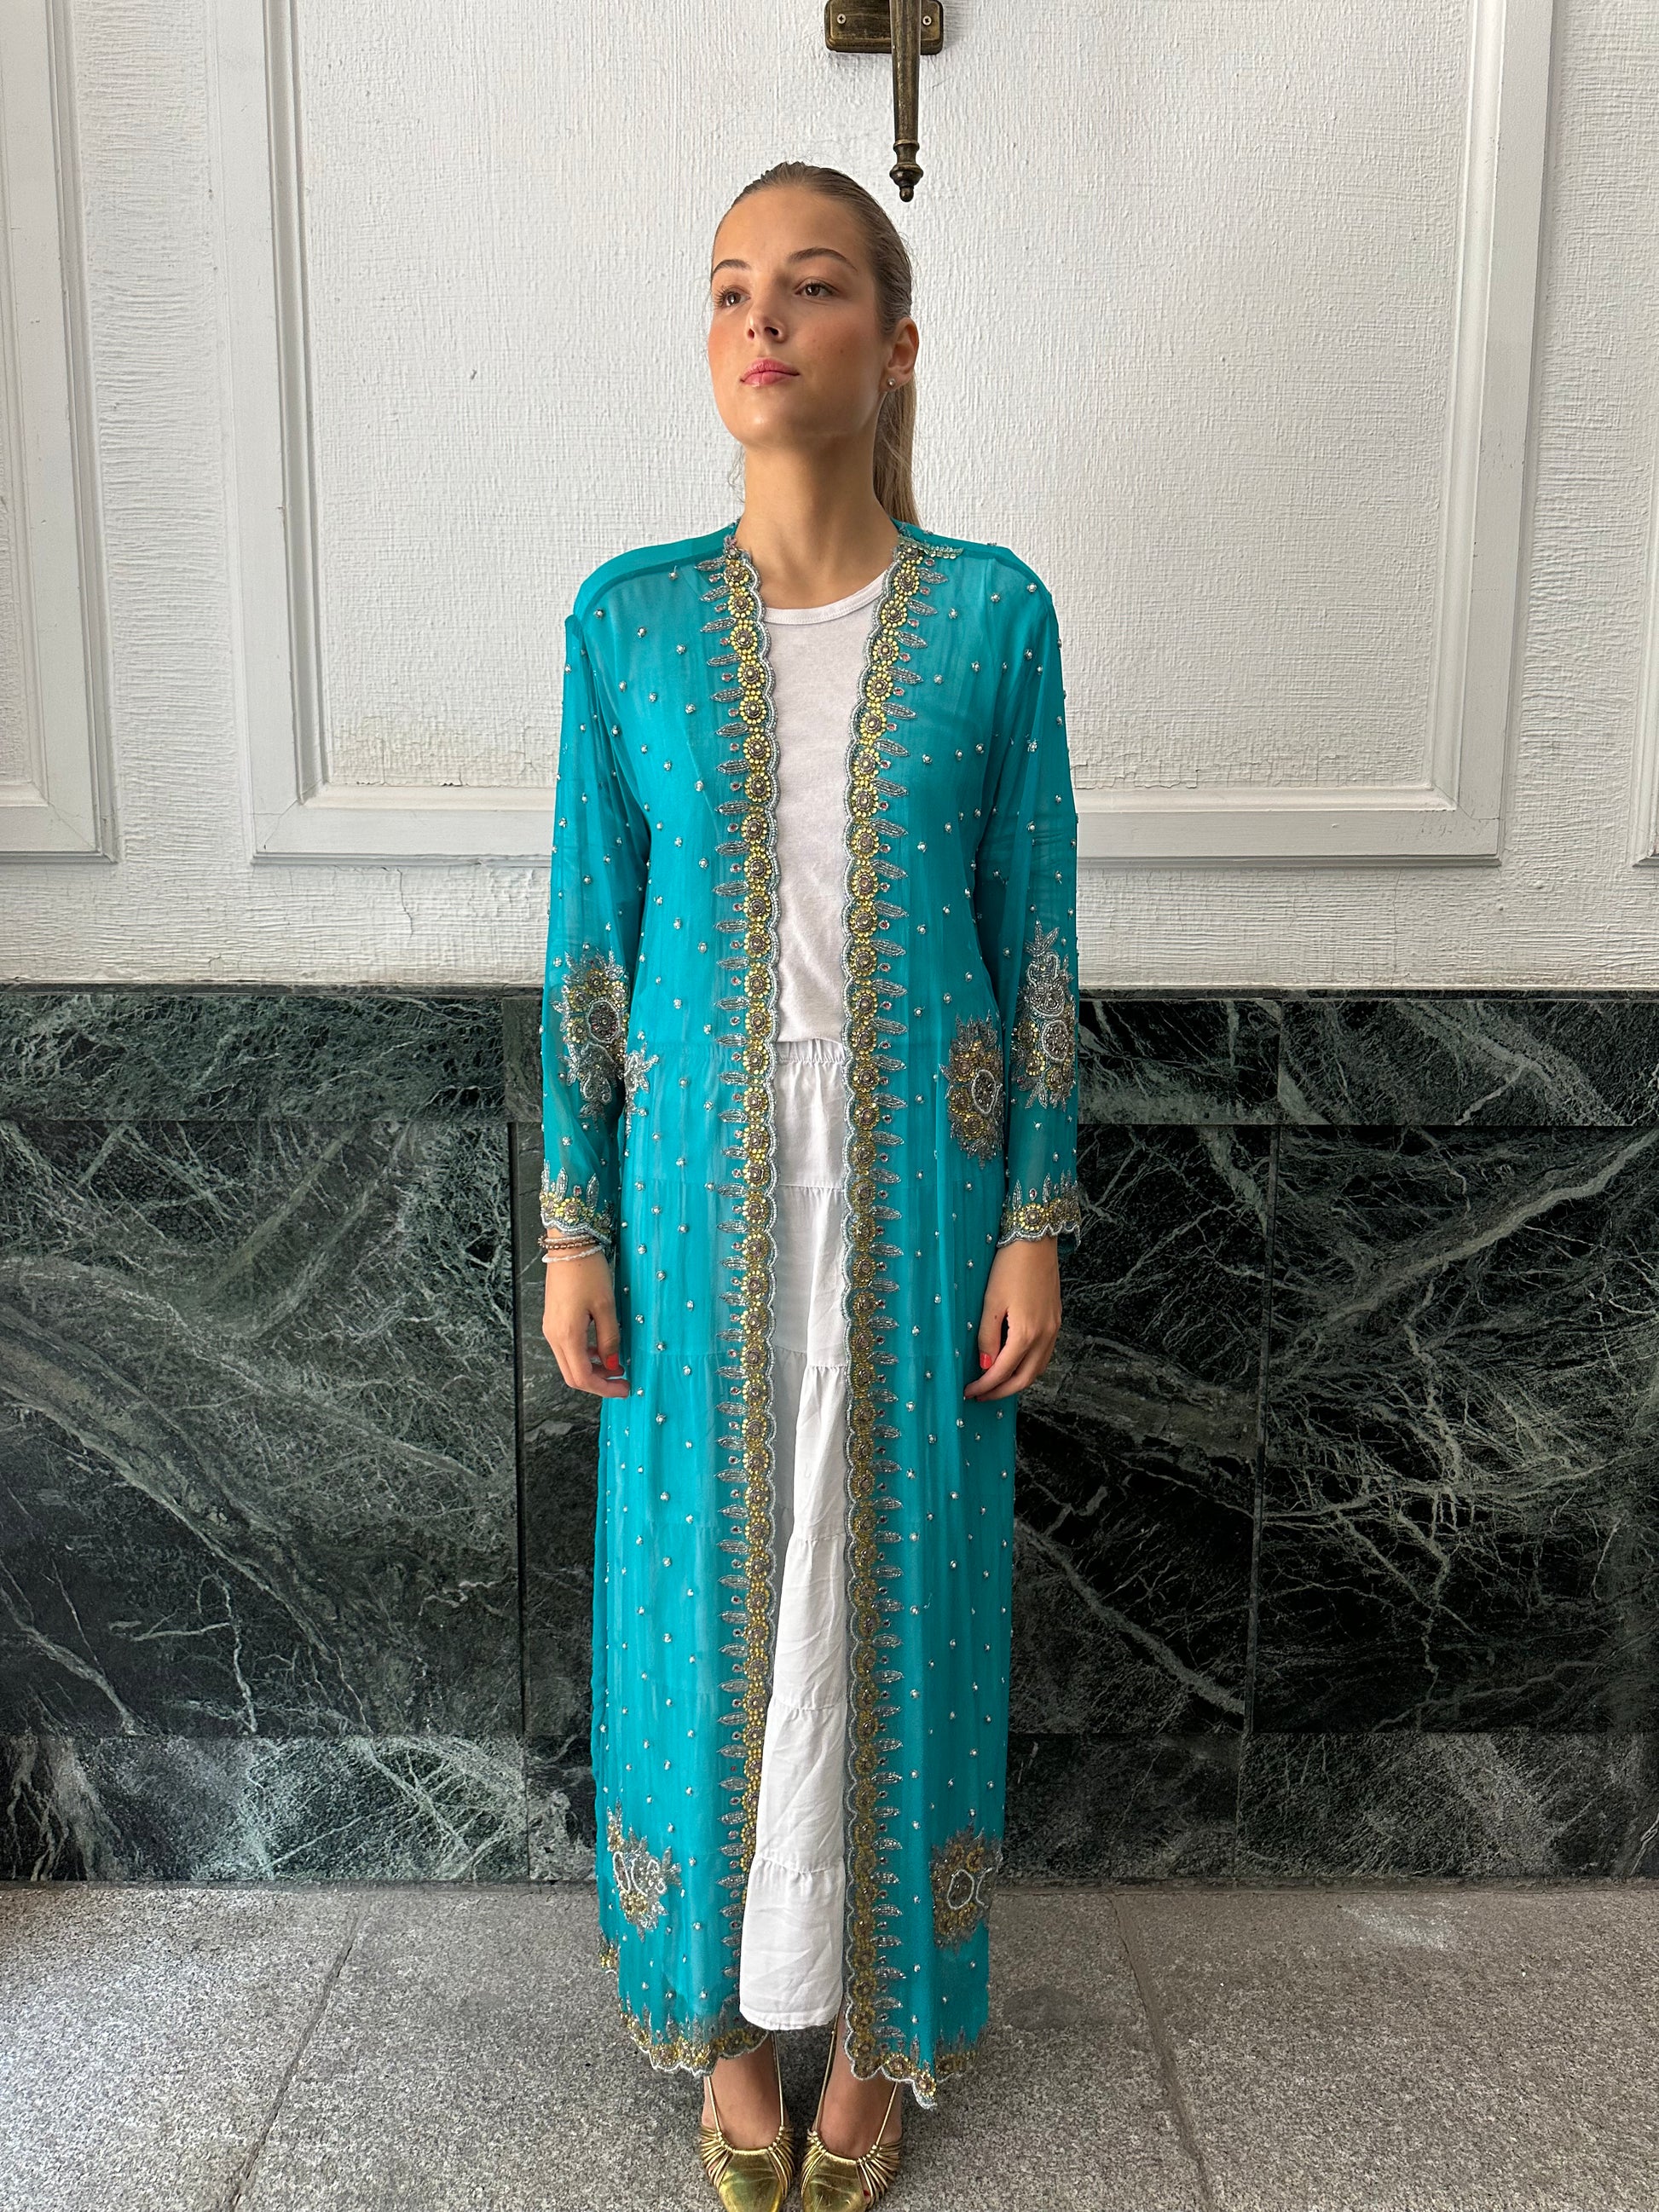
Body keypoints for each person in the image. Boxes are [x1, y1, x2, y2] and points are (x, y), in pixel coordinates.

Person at [539, 159, 1082, 2212]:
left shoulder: (995, 618)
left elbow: (1035, 937)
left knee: (896, 1577)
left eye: (814, 283)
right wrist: (576, 1219)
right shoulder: (626, 622)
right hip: (692, 1192)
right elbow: (591, 944)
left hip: (924, 1195)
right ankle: (731, 2026)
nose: (761, 319)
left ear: (896, 341)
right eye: (728, 289)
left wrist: (1035, 1211)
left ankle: (870, 2041)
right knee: (702, 1583)